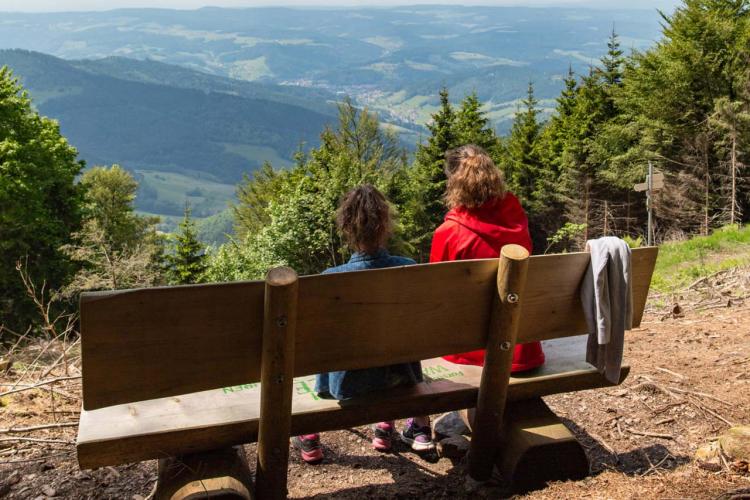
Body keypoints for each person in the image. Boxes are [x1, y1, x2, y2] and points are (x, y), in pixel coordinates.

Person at [293, 184, 434, 464]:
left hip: (348, 386)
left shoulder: (331, 278)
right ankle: (385, 424)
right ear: (386, 225)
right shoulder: (407, 268)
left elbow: (322, 345)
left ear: (346, 228)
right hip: (400, 379)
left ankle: (309, 436)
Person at [430, 144, 545, 372]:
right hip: (521, 348)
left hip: (470, 350)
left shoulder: (449, 232)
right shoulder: (516, 217)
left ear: (453, 183)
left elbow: (435, 294)